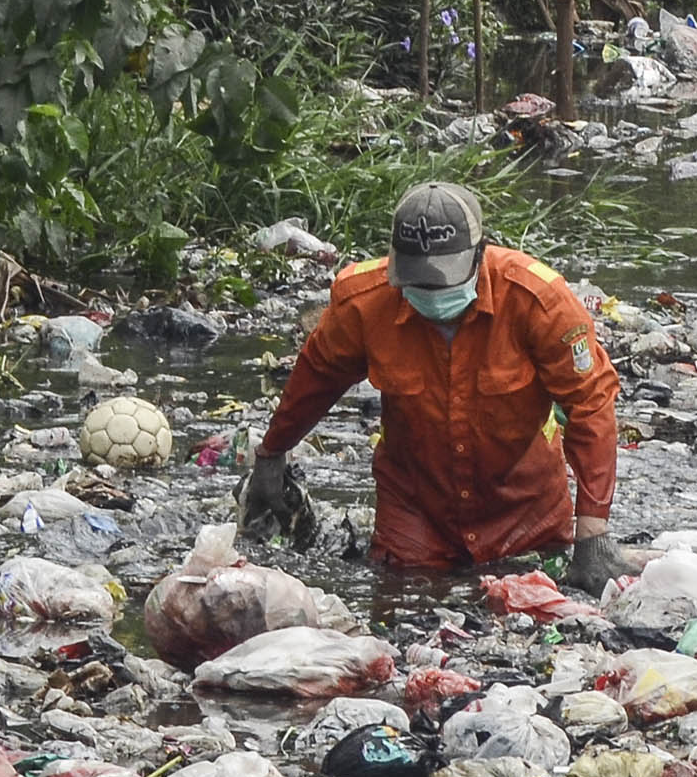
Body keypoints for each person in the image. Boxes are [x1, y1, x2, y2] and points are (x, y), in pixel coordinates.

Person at [247, 182, 621, 588]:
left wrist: (592, 533)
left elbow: (591, 406)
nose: (430, 297)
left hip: (525, 508)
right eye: (417, 285)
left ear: (480, 255)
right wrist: (273, 452)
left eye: (442, 283)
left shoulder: (537, 301)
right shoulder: (363, 302)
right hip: (414, 509)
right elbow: (317, 378)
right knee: (399, 613)